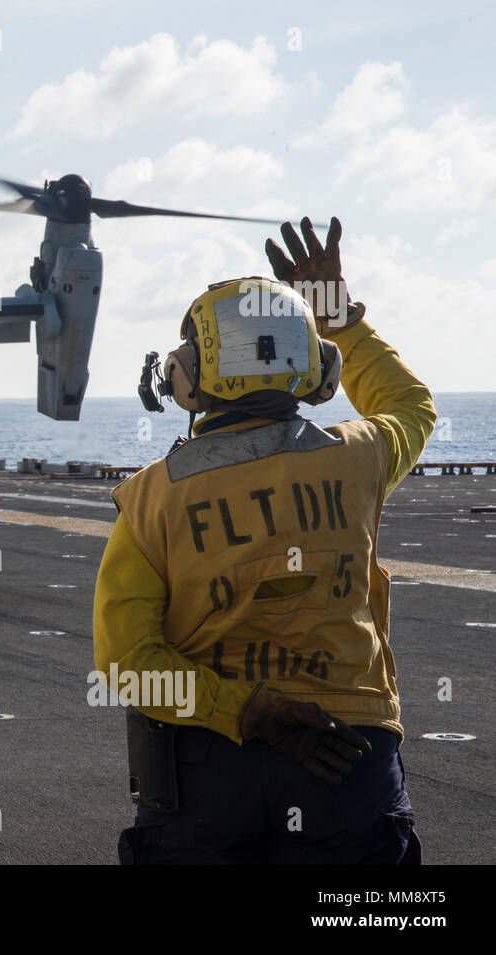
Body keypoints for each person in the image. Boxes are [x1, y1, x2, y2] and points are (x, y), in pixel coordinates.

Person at [93, 217, 435, 864]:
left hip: (206, 774)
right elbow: (413, 407)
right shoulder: (358, 457)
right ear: (317, 367)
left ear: (186, 376)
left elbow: (127, 663)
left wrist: (244, 710)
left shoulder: (150, 499)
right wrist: (338, 314)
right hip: (348, 762)